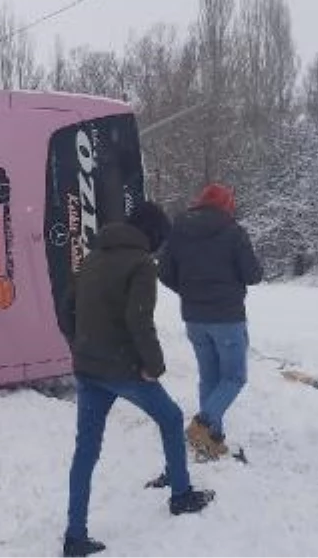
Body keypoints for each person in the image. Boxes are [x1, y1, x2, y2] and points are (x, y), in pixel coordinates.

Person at [59, 200, 214, 557]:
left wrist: (78, 343)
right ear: (154, 235)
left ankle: (75, 536)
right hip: (123, 369)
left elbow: (66, 307)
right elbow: (139, 320)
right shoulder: (142, 264)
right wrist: (154, 366)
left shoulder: (93, 256)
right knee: (172, 419)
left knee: (86, 450)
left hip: (88, 368)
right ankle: (180, 495)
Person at [157, 183, 264, 461]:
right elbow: (252, 274)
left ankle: (211, 439)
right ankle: (203, 425)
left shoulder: (179, 230)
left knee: (210, 377)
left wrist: (191, 292)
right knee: (234, 377)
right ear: (226, 205)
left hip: (194, 318)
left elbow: (165, 272)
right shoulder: (233, 232)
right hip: (227, 317)